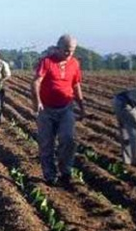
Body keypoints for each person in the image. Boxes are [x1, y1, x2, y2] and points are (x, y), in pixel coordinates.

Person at [31, 34, 85, 186]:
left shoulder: (74, 63)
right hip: (46, 109)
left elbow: (76, 85)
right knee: (46, 143)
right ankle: (50, 175)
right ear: (58, 48)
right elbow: (36, 82)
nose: (69, 54)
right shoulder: (47, 62)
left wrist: (82, 107)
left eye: (72, 51)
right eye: (66, 50)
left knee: (68, 139)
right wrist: (37, 102)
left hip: (66, 107)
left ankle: (65, 171)